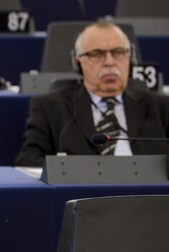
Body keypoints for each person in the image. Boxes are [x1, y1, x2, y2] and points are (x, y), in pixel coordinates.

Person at [15, 22, 169, 167]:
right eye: (97, 54)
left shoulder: (161, 107)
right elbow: (28, 160)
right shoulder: (50, 108)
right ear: (78, 63)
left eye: (118, 52)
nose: (109, 62)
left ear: (130, 59)